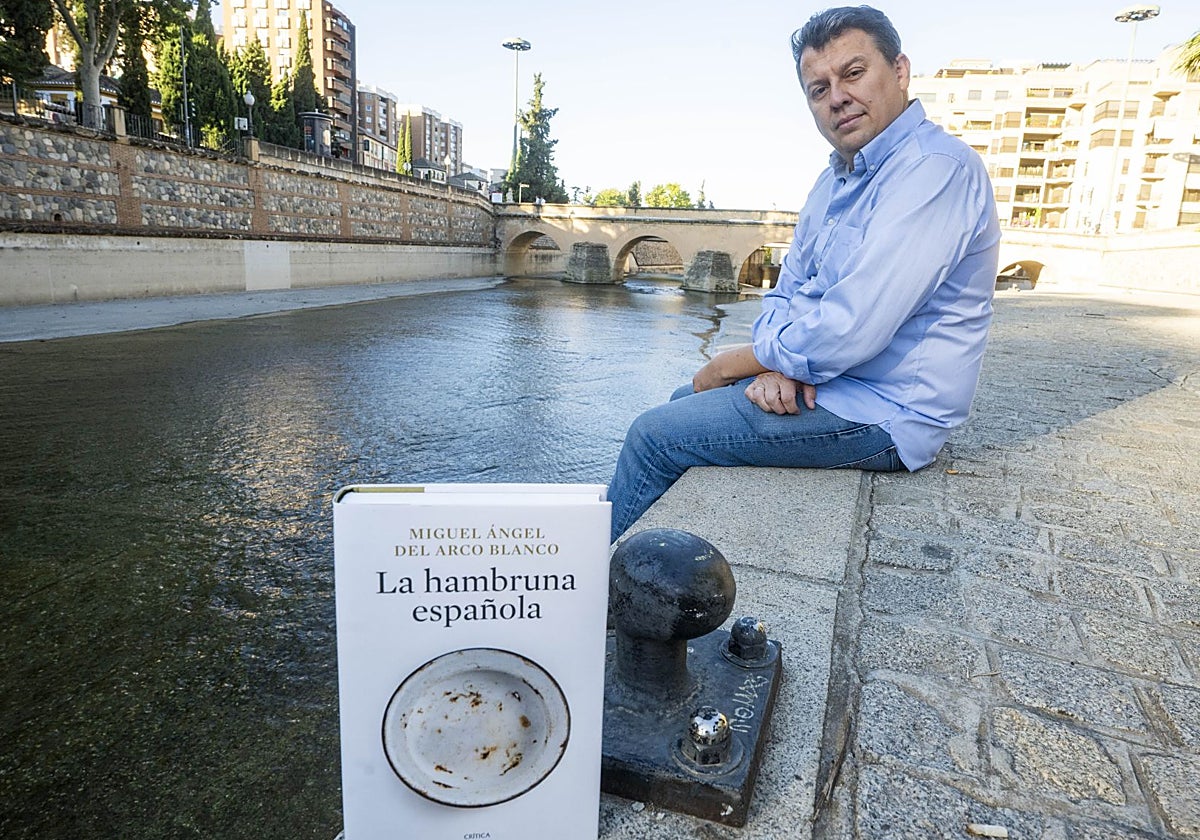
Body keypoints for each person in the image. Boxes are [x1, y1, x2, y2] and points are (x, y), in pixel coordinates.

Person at [607, 5, 1000, 543]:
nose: (836, 96)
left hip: (886, 413)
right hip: (834, 385)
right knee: (682, 404)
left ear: (901, 71)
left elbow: (854, 323)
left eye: (853, 73)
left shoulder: (935, 170)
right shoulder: (835, 180)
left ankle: (589, 599)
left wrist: (732, 365)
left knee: (653, 437)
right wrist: (777, 366)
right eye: (818, 89)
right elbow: (788, 290)